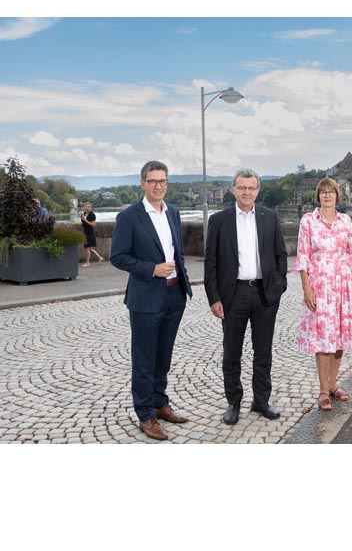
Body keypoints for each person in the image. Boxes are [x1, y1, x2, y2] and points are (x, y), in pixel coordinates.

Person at [111, 161, 193, 440]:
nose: (158, 186)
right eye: (153, 180)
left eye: (163, 181)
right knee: (144, 358)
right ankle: (145, 414)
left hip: (174, 293)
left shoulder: (174, 212)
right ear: (142, 182)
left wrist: (181, 280)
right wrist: (151, 269)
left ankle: (159, 403)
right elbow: (118, 256)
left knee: (163, 356)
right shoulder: (130, 217)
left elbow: (177, 251)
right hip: (146, 297)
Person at [204, 168, 288, 426]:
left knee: (263, 352)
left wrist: (278, 286)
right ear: (233, 190)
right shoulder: (219, 221)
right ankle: (234, 402)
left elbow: (281, 256)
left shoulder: (270, 218)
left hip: (264, 294)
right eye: (242, 187)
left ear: (257, 190)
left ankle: (261, 401)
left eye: (251, 188)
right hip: (233, 294)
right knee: (232, 352)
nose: (247, 192)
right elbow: (211, 263)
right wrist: (214, 298)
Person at [294, 178, 352, 411]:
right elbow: (302, 257)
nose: (327, 196)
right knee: (323, 340)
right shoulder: (308, 222)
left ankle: (334, 384)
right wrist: (306, 288)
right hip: (320, 287)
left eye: (331, 192)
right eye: (323, 192)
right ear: (318, 196)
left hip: (343, 286)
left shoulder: (345, 221)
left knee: (340, 338)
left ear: (337, 195)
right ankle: (323, 389)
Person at [80, 202, 104, 267]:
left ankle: (87, 263)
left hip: (90, 234)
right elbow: (83, 224)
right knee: (89, 248)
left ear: (90, 207)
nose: (87, 208)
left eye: (88, 206)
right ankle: (100, 257)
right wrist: (83, 222)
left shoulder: (92, 215)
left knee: (87, 248)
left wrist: (85, 220)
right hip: (85, 233)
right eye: (86, 206)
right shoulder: (83, 214)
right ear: (84, 207)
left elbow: (93, 224)